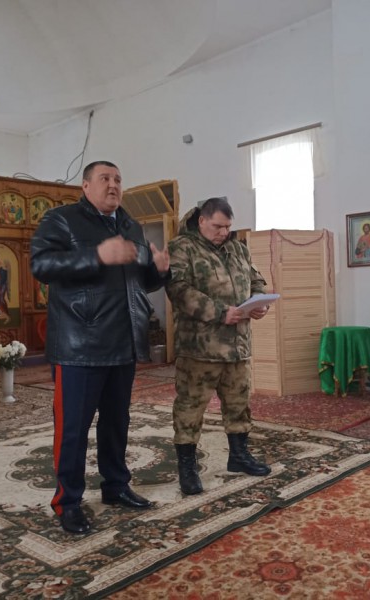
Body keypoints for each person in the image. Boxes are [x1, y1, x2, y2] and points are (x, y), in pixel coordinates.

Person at [30, 160, 171, 534]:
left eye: (118, 179)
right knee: (73, 428)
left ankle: (116, 486)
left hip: (123, 342)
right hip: (79, 343)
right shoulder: (61, 220)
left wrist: (158, 269)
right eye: (105, 178)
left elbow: (140, 282)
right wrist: (96, 255)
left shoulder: (130, 225)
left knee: (116, 422)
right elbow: (42, 265)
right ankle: (68, 503)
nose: (113, 185)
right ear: (85, 186)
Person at [166, 197, 271, 496]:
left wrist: (259, 301)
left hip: (238, 346)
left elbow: (256, 279)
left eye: (227, 227)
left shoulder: (238, 248)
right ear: (201, 221)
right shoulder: (181, 247)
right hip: (200, 348)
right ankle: (187, 468)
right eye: (217, 226)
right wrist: (219, 312)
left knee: (239, 404)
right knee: (190, 408)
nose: (224, 232)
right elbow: (179, 290)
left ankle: (239, 455)